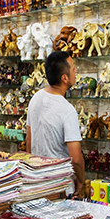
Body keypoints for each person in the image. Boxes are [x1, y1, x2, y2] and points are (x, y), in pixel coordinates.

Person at [26, 51, 85, 195]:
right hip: (60, 186)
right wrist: (82, 180)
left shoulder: (35, 98)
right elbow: (76, 158)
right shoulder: (67, 110)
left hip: (37, 182)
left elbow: (29, 141)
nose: (76, 70)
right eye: (73, 68)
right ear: (64, 78)